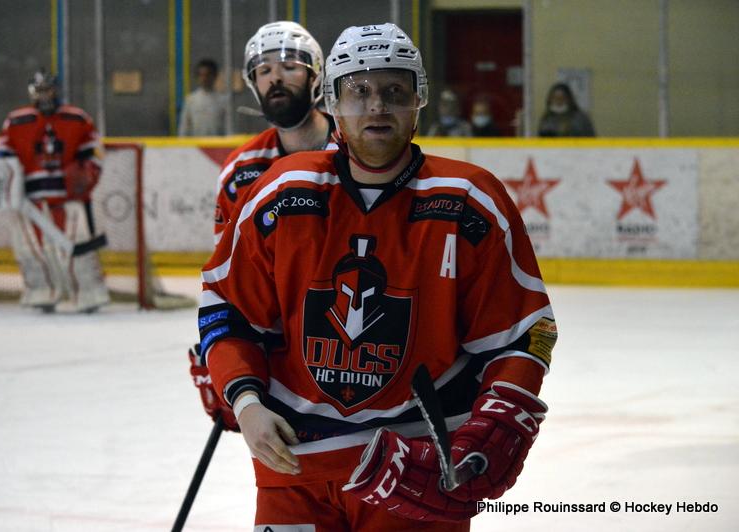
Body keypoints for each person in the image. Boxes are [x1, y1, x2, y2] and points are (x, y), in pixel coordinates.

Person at [196, 23, 556, 530]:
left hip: (418, 467)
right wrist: (245, 398)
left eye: (394, 91)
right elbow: (227, 308)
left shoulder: (469, 201)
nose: (377, 106)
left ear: (418, 101)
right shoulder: (281, 192)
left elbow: (523, 333)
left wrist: (502, 412)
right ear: (334, 102)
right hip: (295, 465)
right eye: (359, 91)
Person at [188, 21, 336, 429]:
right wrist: (232, 355)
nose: (275, 78)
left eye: (289, 67)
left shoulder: (356, 151)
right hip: (280, 346)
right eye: (264, 70)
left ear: (315, 75)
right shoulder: (241, 171)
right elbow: (232, 278)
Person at [0, 69, 109, 313]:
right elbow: (2, 154)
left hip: (69, 198)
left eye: (48, 90)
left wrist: (87, 175)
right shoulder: (16, 121)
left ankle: (88, 293)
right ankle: (42, 291)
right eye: (39, 91)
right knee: (29, 248)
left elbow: (94, 151)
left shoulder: (77, 118)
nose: (44, 96)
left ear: (57, 90)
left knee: (79, 246)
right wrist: (9, 180)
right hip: (30, 200)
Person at [178, 58, 227, 136]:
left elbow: (228, 127)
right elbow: (184, 127)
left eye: (207, 75)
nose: (204, 79)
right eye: (201, 75)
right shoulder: (191, 100)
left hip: (217, 143)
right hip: (196, 143)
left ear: (215, 76)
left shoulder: (223, 100)